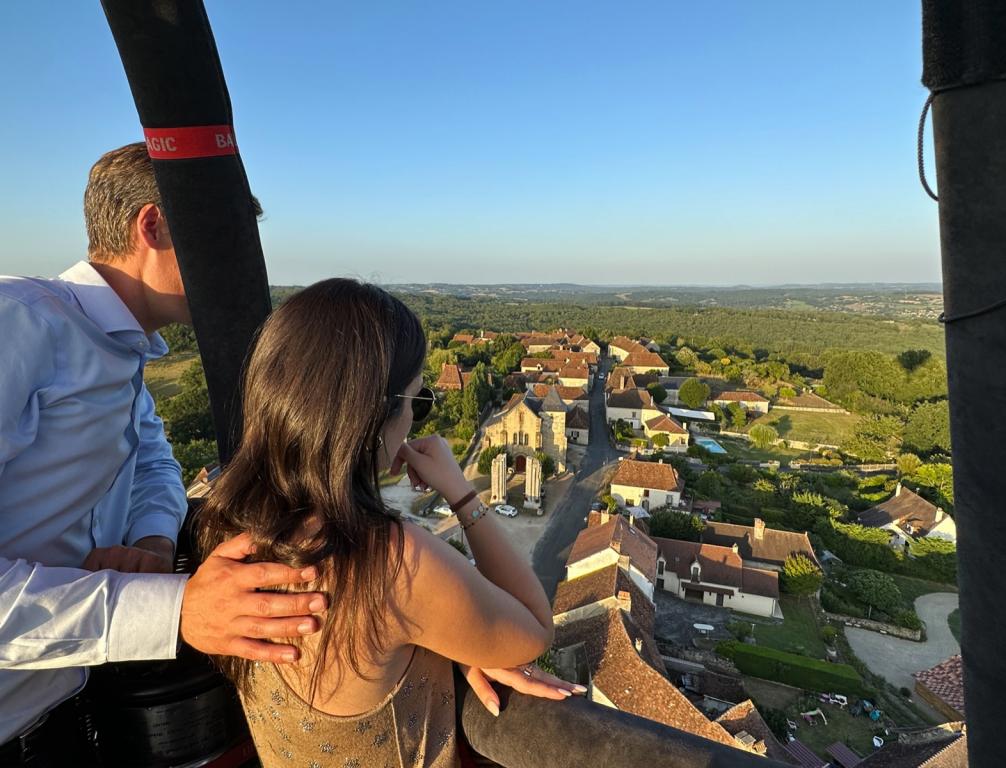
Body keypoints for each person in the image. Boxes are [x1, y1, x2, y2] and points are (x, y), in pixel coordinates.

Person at [0, 143, 325, 762]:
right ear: (153, 225)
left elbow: (151, 459)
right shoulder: (17, 324)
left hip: (64, 708)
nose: (233, 267)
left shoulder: (118, 349)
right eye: (221, 240)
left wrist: (151, 543)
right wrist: (172, 608)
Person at [196, 279, 584, 768]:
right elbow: (533, 627)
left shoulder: (230, 523)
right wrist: (463, 493)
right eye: (416, 403)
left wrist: (455, 636)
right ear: (374, 416)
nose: (415, 421)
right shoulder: (393, 563)